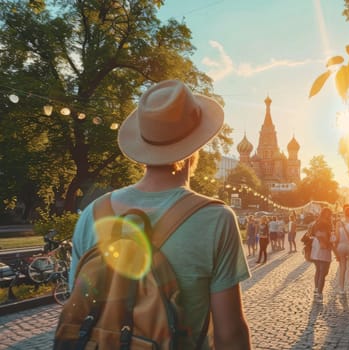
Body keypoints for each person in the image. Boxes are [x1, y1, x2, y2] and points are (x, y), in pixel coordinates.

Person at [68, 80, 252, 349]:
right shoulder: (215, 219)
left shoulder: (94, 213)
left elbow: (78, 304)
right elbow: (230, 333)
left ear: (143, 148)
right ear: (195, 148)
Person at [334, 205, 349, 294]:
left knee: (342, 267)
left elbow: (336, 238)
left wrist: (335, 248)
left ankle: (341, 289)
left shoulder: (338, 223)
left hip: (340, 246)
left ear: (344, 213)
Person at [310, 207, 333, 301]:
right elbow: (323, 235)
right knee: (323, 271)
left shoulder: (316, 222)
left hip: (316, 246)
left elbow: (313, 234)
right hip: (323, 246)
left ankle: (316, 290)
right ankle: (319, 293)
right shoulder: (325, 223)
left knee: (319, 270)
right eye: (328, 214)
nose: (329, 216)